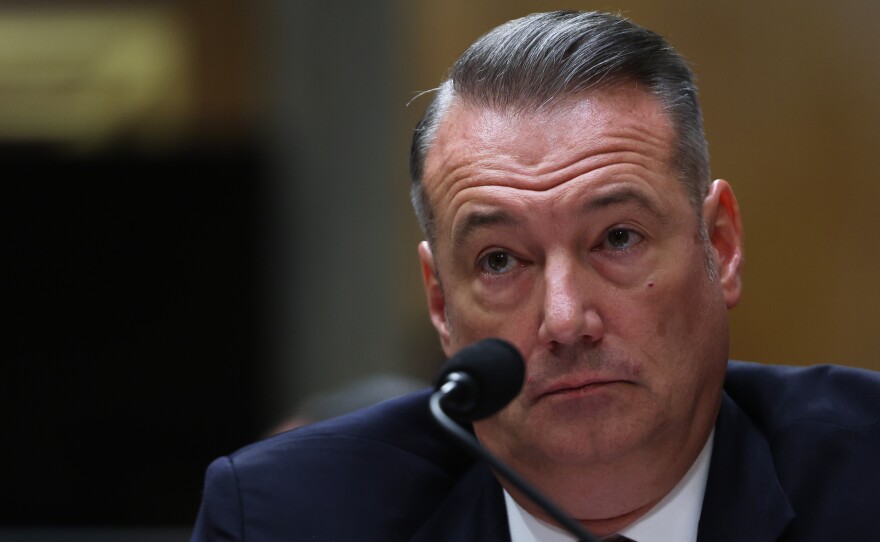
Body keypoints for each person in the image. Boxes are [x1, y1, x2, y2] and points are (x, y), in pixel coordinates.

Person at [191, 11, 880, 541]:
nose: (565, 319)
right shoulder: (286, 520)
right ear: (439, 302)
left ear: (720, 247)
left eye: (617, 238)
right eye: (499, 260)